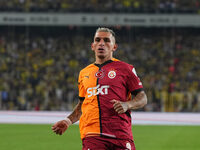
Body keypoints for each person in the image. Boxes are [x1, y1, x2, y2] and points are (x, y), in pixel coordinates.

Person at [52, 27, 147, 150]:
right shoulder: (84, 73)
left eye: (106, 40)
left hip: (120, 134)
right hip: (93, 135)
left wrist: (127, 104)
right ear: (92, 46)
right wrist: (67, 121)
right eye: (97, 40)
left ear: (114, 47)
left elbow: (142, 97)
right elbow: (82, 104)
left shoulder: (125, 69)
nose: (101, 43)